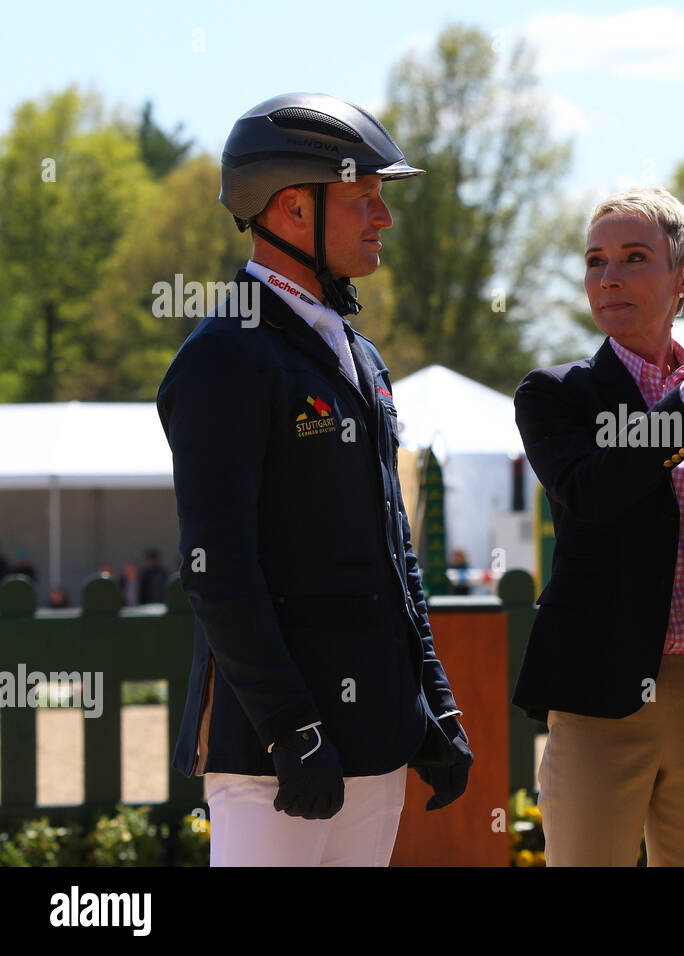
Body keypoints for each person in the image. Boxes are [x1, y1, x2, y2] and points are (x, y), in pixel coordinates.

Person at [157, 93, 472, 867]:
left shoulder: (359, 357)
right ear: (294, 207)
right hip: (275, 754)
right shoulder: (224, 356)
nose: (383, 218)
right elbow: (219, 570)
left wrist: (433, 695)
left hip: (375, 741)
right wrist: (291, 727)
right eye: (364, 198)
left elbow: (396, 552)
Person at [512, 188, 684, 866]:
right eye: (596, 261)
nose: (610, 278)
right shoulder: (554, 394)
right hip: (598, 699)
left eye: (635, 258)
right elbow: (594, 493)